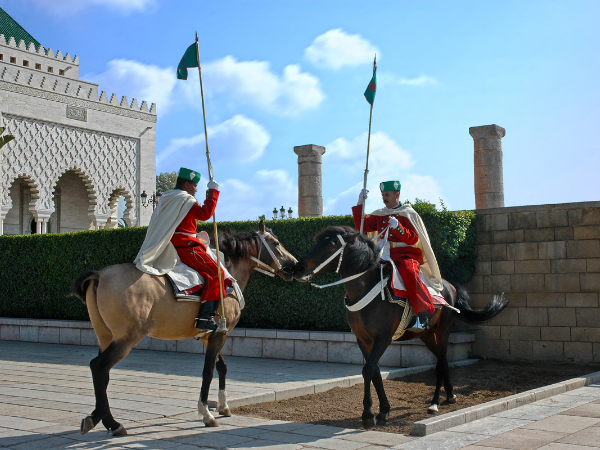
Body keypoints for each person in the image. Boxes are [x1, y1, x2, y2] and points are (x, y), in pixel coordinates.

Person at [134, 167, 230, 332]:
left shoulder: (167, 198)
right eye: (194, 185)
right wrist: (213, 192)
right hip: (186, 245)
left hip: (170, 243)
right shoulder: (185, 199)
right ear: (186, 184)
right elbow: (205, 214)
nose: (196, 189)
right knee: (217, 273)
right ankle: (205, 318)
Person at [351, 180, 444, 331]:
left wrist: (398, 228)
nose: (384, 198)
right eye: (382, 195)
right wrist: (360, 204)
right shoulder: (380, 214)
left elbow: (413, 238)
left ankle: (422, 315)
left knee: (408, 270)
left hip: (405, 255)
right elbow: (362, 226)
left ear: (397, 195)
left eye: (387, 194)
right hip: (383, 254)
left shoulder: (408, 214)